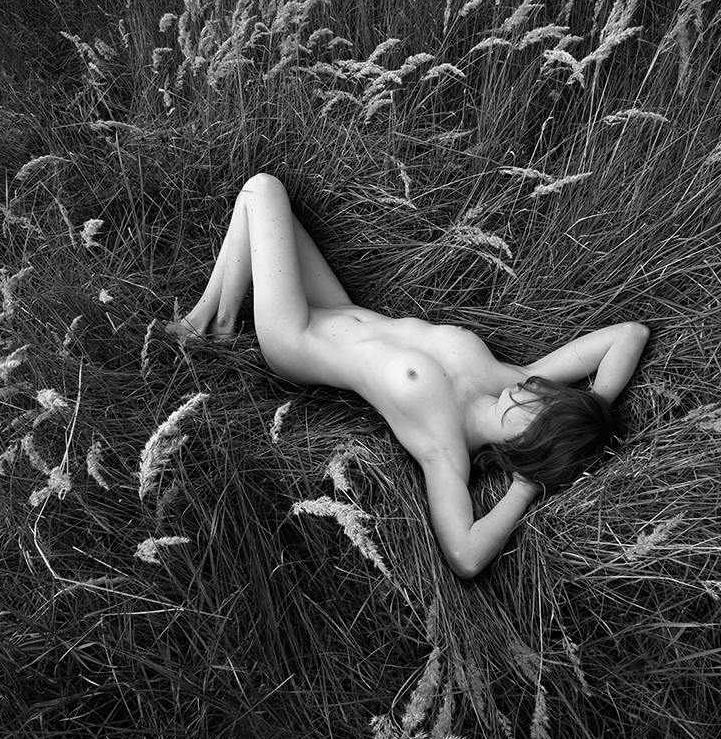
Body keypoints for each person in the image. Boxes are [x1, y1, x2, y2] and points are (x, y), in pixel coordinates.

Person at [168, 173, 649, 579]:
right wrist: (595, 406)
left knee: (263, 191)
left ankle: (212, 320)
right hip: (335, 306)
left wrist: (527, 486)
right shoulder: (514, 377)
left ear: (530, 445)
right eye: (551, 395)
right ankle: (215, 324)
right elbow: (629, 335)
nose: (536, 391)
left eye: (541, 410)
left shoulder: (445, 450)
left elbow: (465, 556)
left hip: (297, 339)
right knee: (260, 205)